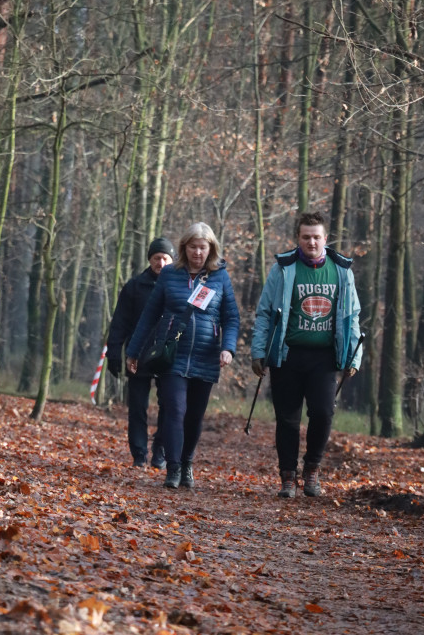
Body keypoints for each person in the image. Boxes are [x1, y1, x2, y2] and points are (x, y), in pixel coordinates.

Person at [251, 210, 362, 499]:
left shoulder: (341, 270)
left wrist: (354, 358)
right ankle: (288, 477)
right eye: (305, 237)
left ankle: (312, 469)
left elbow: (352, 316)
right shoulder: (283, 268)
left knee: (323, 413)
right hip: (287, 355)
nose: (311, 242)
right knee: (287, 419)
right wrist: (258, 351)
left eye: (316, 237)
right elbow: (264, 313)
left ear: (325, 238)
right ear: (297, 239)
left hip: (324, 357)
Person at [126, 222, 240, 489]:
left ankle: (187, 461)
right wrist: (134, 351)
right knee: (175, 410)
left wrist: (228, 348)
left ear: (210, 248)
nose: (197, 253)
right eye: (192, 247)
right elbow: (149, 315)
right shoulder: (169, 275)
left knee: (194, 416)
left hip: (206, 355)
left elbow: (231, 317)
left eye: (202, 247)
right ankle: (173, 468)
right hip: (172, 355)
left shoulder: (220, 277)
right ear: (184, 248)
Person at [106, 237, 175, 469]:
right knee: (137, 408)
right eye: (157, 258)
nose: (161, 263)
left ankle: (160, 452)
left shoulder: (179, 286)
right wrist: (113, 354)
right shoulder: (134, 286)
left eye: (166, 258)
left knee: (169, 407)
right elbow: (119, 323)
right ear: (150, 259)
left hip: (169, 357)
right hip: (138, 356)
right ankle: (139, 455)